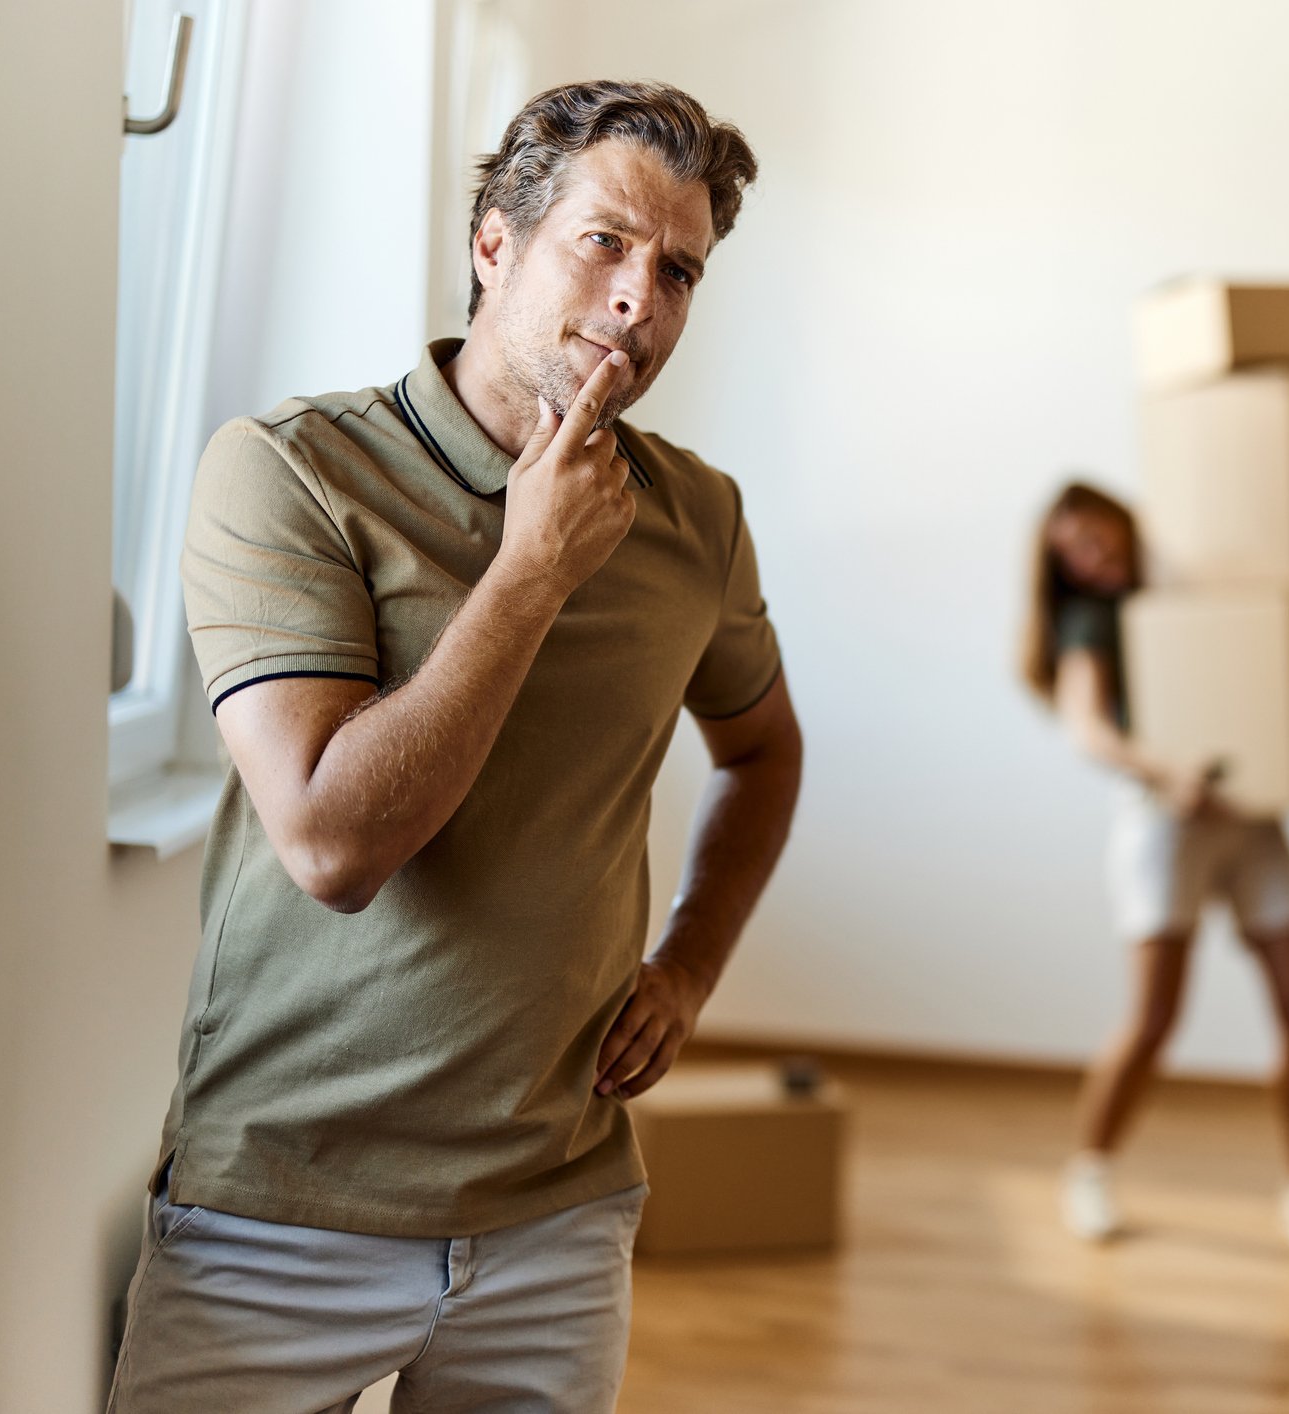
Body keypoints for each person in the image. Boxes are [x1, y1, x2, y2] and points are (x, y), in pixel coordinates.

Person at [107, 81, 803, 1412]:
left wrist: (694, 963)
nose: (636, 303)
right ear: (495, 241)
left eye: (678, 271)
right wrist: (532, 567)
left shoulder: (697, 518)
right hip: (280, 1207)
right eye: (603, 243)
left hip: (560, 1211)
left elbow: (765, 752)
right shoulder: (288, 472)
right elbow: (331, 841)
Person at [1020, 482, 1289, 1259]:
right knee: (1156, 1017)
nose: (1089, 559)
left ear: (1121, 525)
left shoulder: (1185, 596)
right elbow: (1087, 729)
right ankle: (1090, 1170)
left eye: (1095, 540)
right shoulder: (1089, 620)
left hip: (1251, 817)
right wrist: (1168, 774)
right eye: (1071, 553)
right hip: (1164, 825)